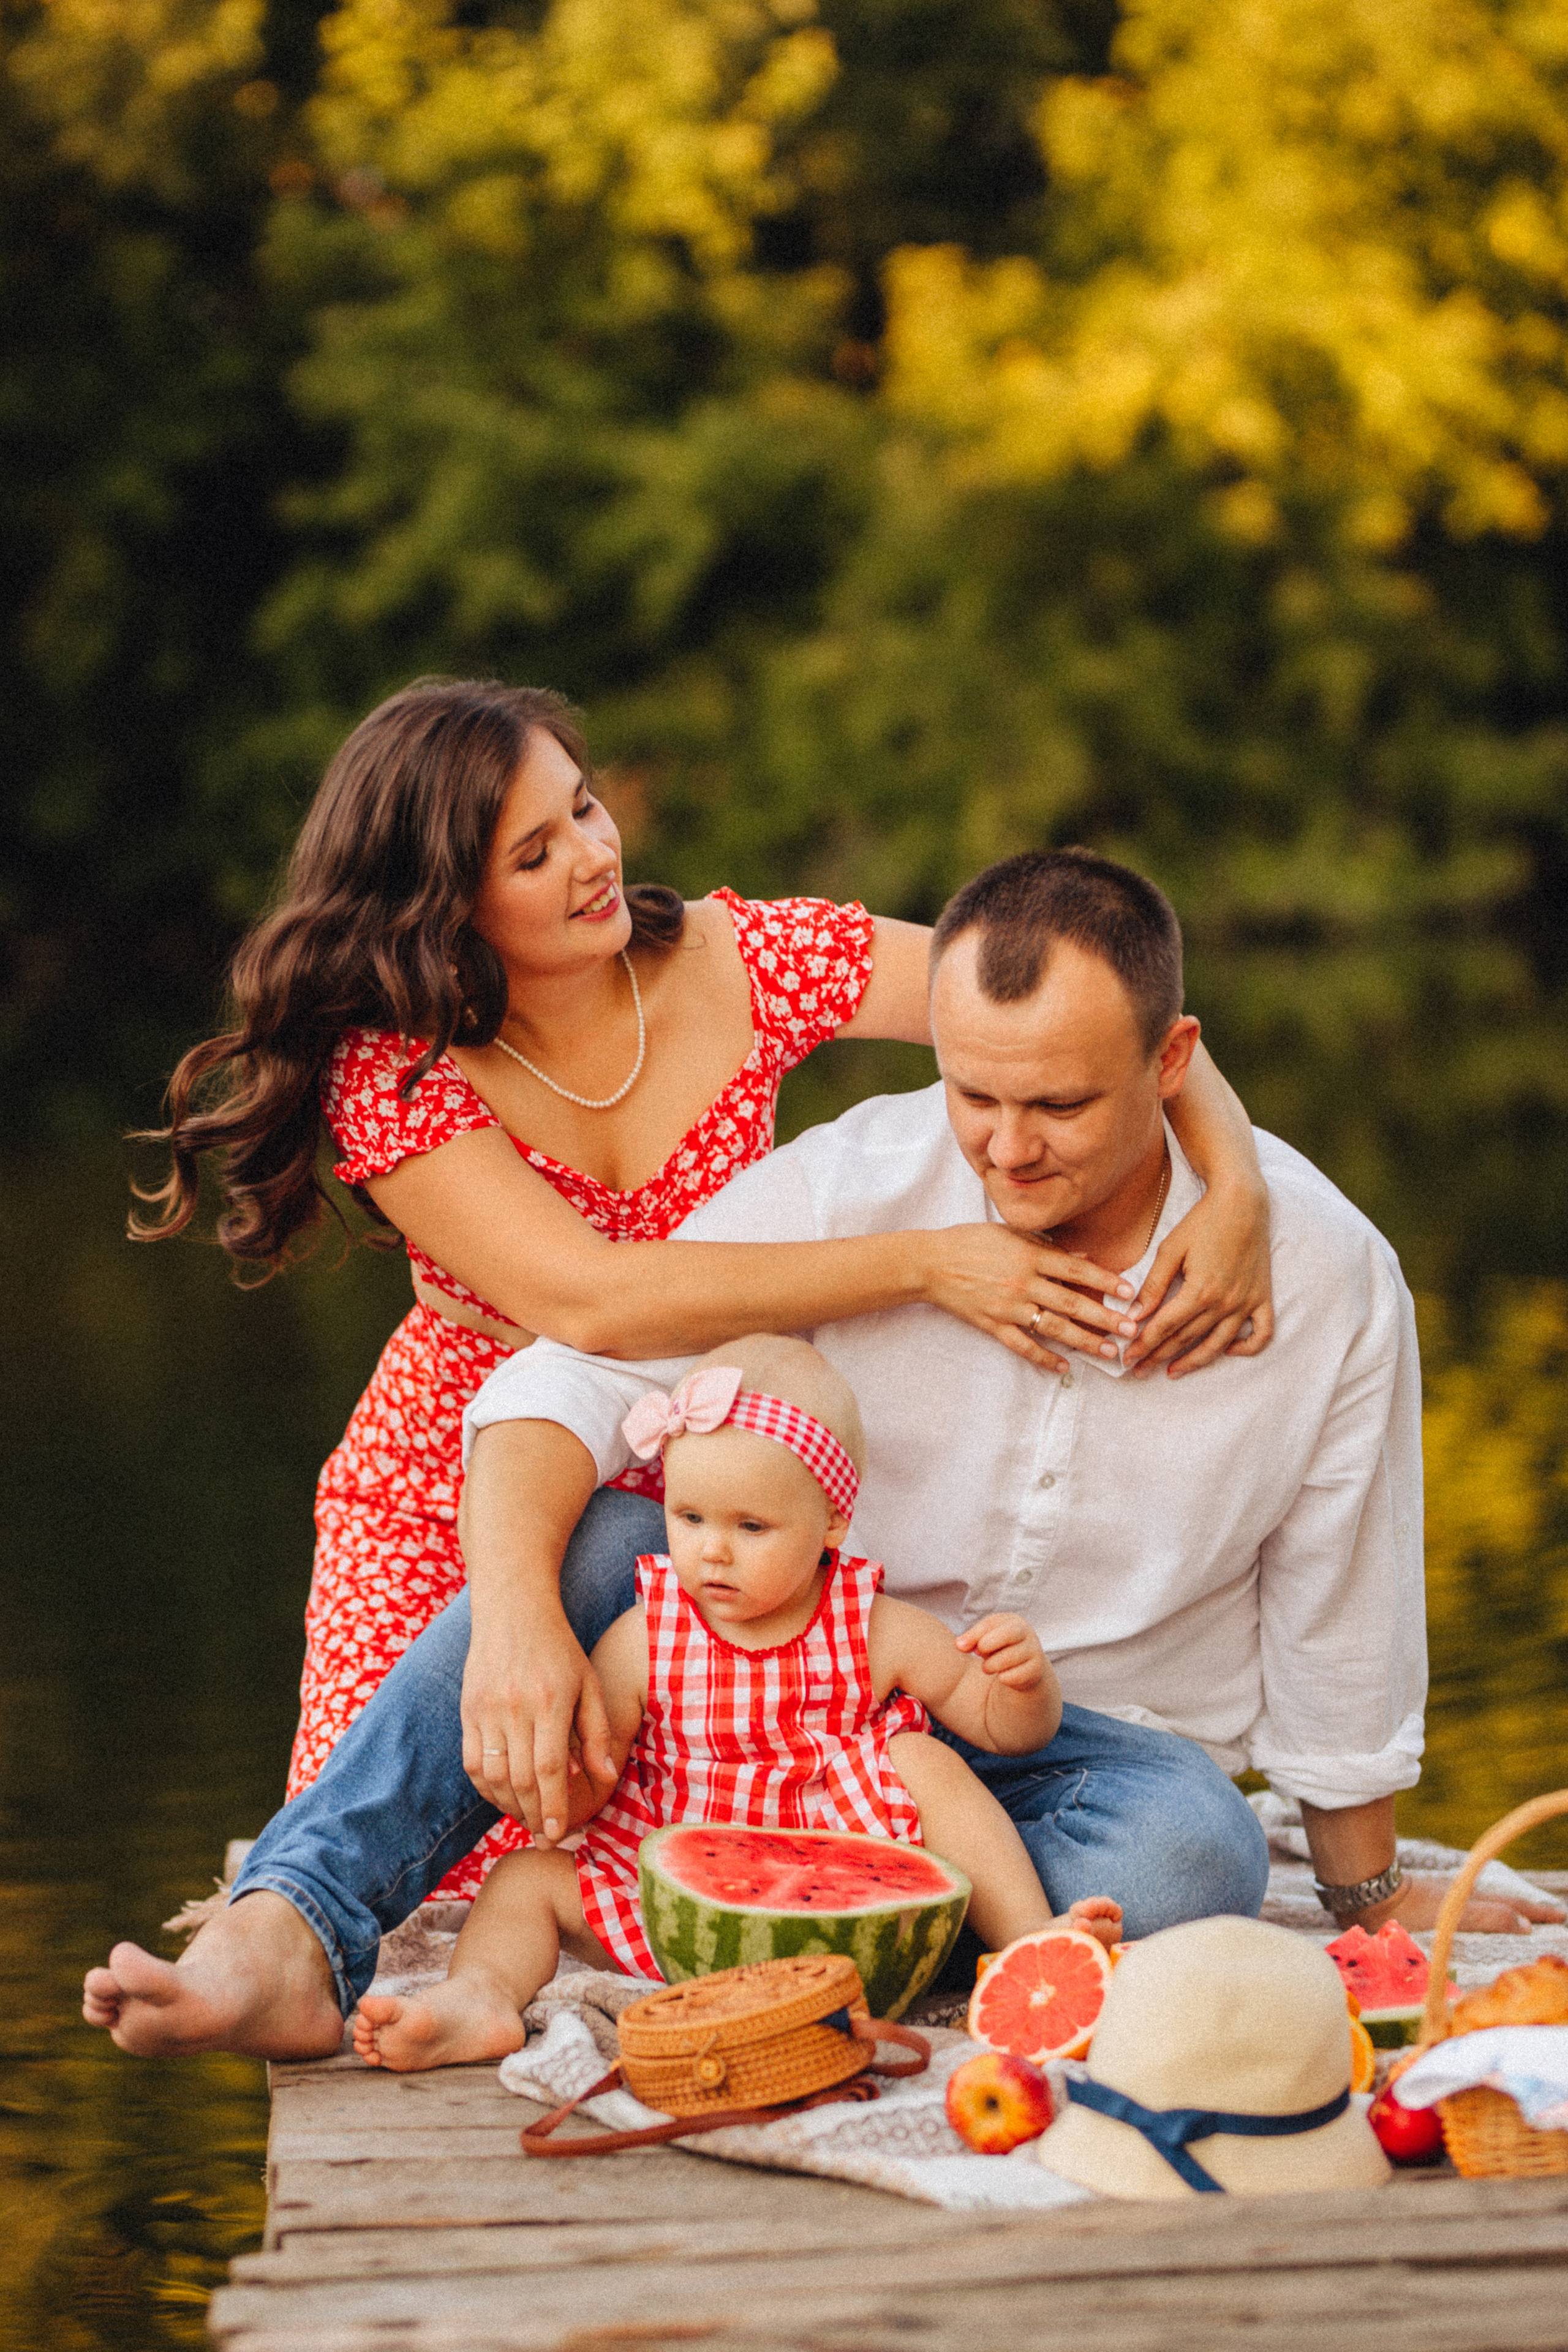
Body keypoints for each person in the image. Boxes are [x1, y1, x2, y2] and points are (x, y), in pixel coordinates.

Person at [92, 846, 1555, 2065]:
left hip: (1060, 1751)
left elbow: (1336, 1596)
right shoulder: (861, 1178)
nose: (1006, 1145)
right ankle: (292, 1923)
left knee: (1191, 1862)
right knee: (600, 1544)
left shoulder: (1319, 1276)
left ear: (1172, 1063)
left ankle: (795, 1922)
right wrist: (527, 1619)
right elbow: (570, 1367)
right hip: (762, 1667)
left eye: (1057, 1105)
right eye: (974, 1095)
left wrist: (1361, 1887)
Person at [132, 681, 1275, 1903]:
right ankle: (304, 1933)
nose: (591, 857)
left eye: (582, 808)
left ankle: (948, 1898)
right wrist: (925, 1263)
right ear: (442, 907)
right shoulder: (396, 1064)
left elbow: (1057, 991)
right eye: (534, 852)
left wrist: (1236, 1177)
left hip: (736, 1486)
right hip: (479, 1499)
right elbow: (593, 1303)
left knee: (759, 1836)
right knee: (457, 1872)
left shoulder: (744, 959)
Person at [349, 1336, 1121, 2073]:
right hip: (674, 1901)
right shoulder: (646, 1633)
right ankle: (480, 1996)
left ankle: (1032, 1946)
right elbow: (596, 1783)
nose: (711, 1550)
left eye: (750, 1527)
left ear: (832, 1523)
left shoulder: (870, 1623)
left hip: (845, 1895)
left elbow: (1002, 1730)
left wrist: (1025, 1685)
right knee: (526, 1877)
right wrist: (559, 1784)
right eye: (689, 1519)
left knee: (924, 1760)